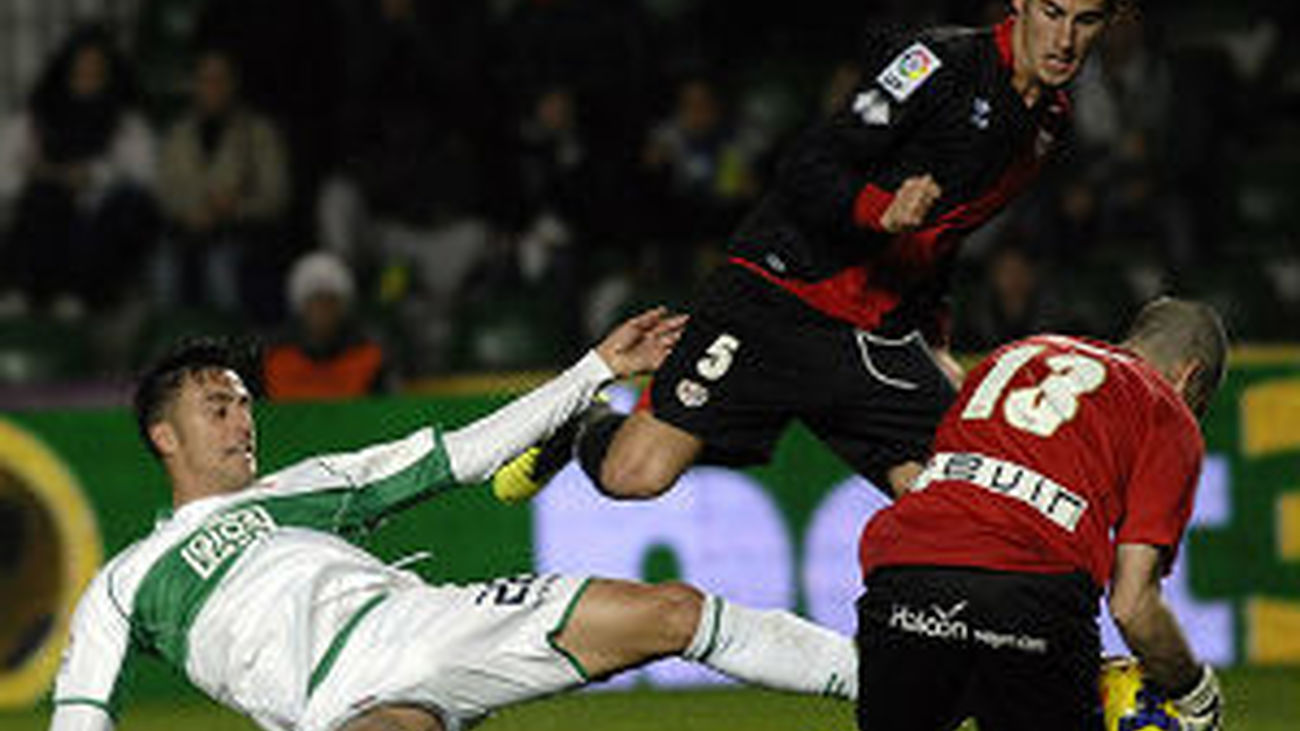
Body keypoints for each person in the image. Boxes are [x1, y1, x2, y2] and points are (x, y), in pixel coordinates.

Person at [50, 309, 859, 731]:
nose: (241, 419)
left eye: (244, 403)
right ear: (164, 434)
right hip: (340, 704)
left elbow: (464, 454)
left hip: (428, 620)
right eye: (217, 405)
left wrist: (596, 369)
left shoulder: (306, 485)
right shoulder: (127, 581)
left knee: (673, 611)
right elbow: (83, 713)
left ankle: (894, 683)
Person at [493, 0, 1117, 505]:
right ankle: (583, 425)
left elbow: (945, 236)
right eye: (1053, 13)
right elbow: (808, 165)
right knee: (637, 476)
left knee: (953, 500)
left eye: (1085, 20)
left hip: (875, 336)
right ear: (1020, 5)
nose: (1064, 38)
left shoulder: (1049, 124)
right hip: (776, 296)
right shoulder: (939, 62)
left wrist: (936, 335)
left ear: (1107, 24)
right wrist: (882, 207)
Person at [855, 297, 1227, 730]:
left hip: (904, 578)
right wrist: (1194, 692)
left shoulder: (1015, 354)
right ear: (1189, 376)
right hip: (1030, 593)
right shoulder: (1165, 408)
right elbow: (1132, 604)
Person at [0, 25, 157, 313]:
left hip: (95, 227)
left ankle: (76, 296)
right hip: (40, 214)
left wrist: (93, 176)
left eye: (96, 70)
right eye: (81, 68)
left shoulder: (126, 122)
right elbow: (5, 173)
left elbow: (145, 176)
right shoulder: (36, 117)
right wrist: (40, 173)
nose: (87, 75)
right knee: (43, 197)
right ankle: (21, 291)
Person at [154, 48, 289, 318]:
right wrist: (190, 212)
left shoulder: (258, 132)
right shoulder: (178, 134)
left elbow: (277, 195)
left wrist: (234, 207)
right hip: (186, 233)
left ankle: (231, 350)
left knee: (221, 265)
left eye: (220, 79)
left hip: (241, 235)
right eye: (205, 79)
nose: (212, 87)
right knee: (162, 264)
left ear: (234, 84)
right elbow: (164, 191)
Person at [263, 251, 393, 401]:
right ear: (301, 307)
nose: (323, 312)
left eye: (330, 302)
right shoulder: (276, 359)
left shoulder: (367, 357)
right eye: (316, 302)